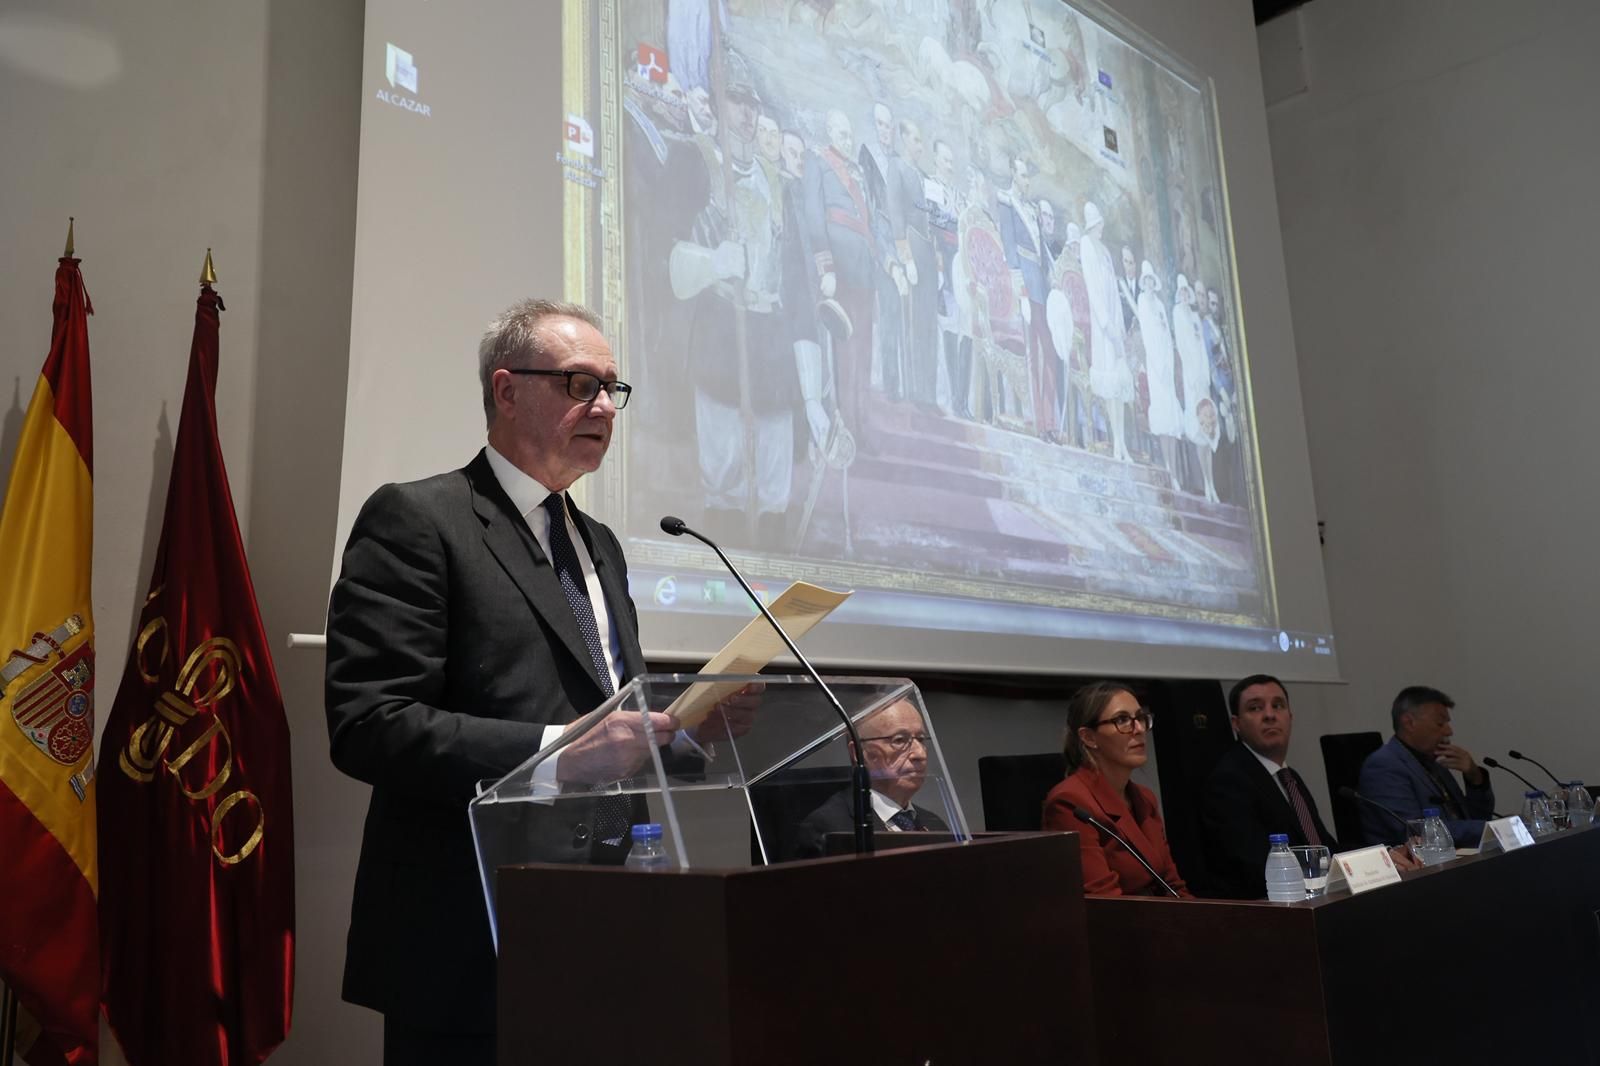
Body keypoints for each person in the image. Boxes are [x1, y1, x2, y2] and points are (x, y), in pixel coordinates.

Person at [325, 300, 739, 1065]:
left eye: (615, 389)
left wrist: (683, 735)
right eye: (582, 384)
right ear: (507, 390)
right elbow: (369, 723)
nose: (606, 408)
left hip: (609, 924)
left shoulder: (600, 543)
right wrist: (561, 754)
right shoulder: (420, 519)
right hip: (469, 934)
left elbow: (608, 708)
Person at [1042, 682, 1193, 897]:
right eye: (1122, 720)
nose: (1139, 729)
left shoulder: (1144, 798)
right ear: (1089, 737)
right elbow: (1104, 904)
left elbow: (1173, 885)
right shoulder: (1070, 803)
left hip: (1163, 920)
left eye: (1140, 718)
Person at [1201, 675, 1340, 899]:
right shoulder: (1229, 780)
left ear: (1290, 717)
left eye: (1278, 706)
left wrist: (1382, 858)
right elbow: (1255, 866)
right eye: (1255, 708)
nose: (1269, 715)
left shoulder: (1289, 777)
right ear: (1236, 724)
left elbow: (1322, 845)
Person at [792, 697, 950, 858]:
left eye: (921, 739)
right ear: (858, 753)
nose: (920, 754)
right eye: (900, 740)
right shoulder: (829, 829)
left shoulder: (935, 824)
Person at [1358, 686, 1495, 848]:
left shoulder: (1434, 761)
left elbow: (1477, 818)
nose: (1449, 731)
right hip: (1413, 867)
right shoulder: (1383, 766)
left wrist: (1474, 776)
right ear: (1409, 722)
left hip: (1457, 856)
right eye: (1440, 723)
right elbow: (1415, 831)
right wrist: (1492, 828)